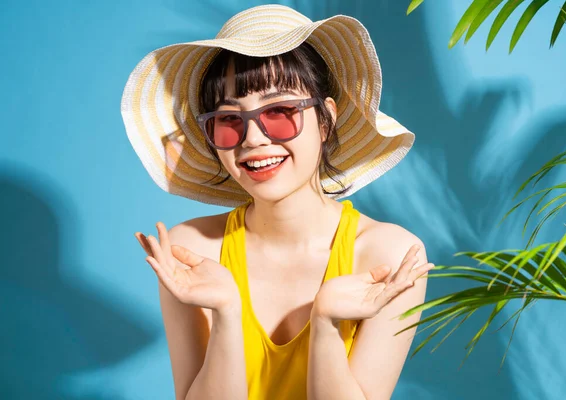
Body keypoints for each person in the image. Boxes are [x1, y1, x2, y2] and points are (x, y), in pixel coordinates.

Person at [123, 4, 434, 400]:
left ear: (326, 119)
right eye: (229, 119)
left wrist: (325, 325)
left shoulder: (388, 255)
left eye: (280, 112)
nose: (252, 139)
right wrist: (225, 313)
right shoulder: (193, 253)